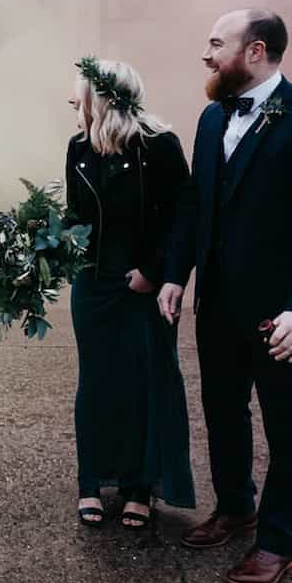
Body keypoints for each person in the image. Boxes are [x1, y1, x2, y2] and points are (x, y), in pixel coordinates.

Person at [158, 9, 292, 583]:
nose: (205, 54)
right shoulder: (209, 119)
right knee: (222, 413)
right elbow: (197, 203)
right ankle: (235, 506)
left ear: (255, 50)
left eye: (216, 43)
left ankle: (276, 542)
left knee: (285, 424)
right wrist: (176, 274)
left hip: (282, 313)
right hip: (217, 305)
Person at [65, 57, 195, 530]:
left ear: (101, 98)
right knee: (96, 383)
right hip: (94, 285)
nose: (73, 103)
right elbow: (78, 219)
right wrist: (38, 247)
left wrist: (157, 272)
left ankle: (140, 487)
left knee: (146, 382)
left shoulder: (159, 146)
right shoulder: (79, 147)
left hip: (145, 288)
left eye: (80, 94)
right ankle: (90, 482)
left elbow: (184, 216)